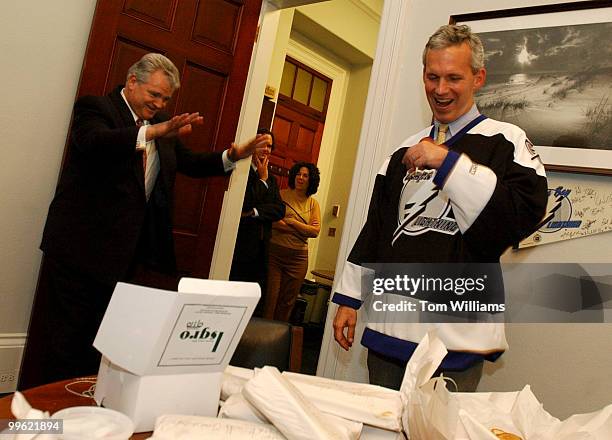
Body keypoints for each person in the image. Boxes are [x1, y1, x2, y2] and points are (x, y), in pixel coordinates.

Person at [20, 53, 271, 388]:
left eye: (166, 98)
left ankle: (85, 411)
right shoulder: (97, 108)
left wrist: (234, 155)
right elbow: (94, 142)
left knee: (101, 343)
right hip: (78, 253)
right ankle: (45, 418)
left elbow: (192, 163)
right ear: (132, 81)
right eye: (155, 95)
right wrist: (153, 132)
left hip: (125, 259)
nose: (159, 103)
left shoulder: (161, 126)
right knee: (62, 343)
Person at [331, 25, 548, 391]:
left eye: (453, 78)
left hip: (455, 338)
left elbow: (516, 220)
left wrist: (448, 164)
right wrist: (350, 299)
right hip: (389, 331)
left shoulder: (507, 141)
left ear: (478, 78)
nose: (440, 89)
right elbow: (376, 230)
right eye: (432, 77)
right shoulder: (402, 150)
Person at [230, 128, 285, 310]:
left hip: (263, 247)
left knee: (254, 299)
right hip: (242, 246)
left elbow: (279, 210)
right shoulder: (242, 172)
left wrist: (255, 212)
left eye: (270, 146)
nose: (267, 150)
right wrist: (261, 180)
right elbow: (244, 203)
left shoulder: (273, 180)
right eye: (263, 145)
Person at [264, 162, 321, 321]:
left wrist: (292, 222)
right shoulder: (280, 195)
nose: (301, 178)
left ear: (311, 180)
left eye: (305, 176)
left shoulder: (313, 204)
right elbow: (273, 222)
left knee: (288, 302)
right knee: (271, 298)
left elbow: (315, 231)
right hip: (275, 254)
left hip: (298, 259)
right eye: (298, 174)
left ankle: (277, 338)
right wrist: (301, 232)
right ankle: (263, 336)